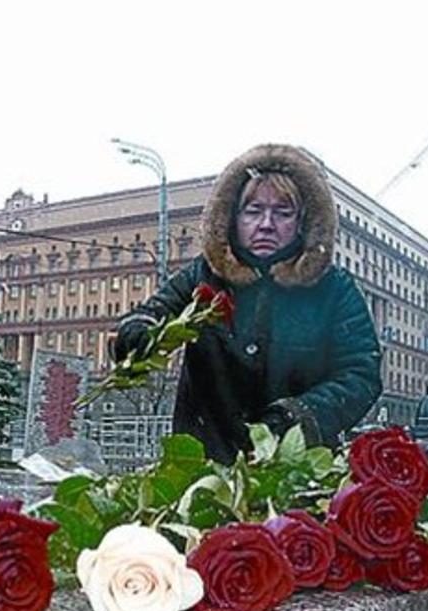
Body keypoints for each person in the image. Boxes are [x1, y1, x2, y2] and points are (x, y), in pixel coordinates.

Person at [113, 144, 382, 464]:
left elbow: (361, 373)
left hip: (295, 471)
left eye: (283, 213)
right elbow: (154, 312)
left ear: (302, 222)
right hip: (203, 472)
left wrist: (298, 418)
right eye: (253, 210)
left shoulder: (333, 289)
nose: (266, 224)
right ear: (232, 218)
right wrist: (138, 336)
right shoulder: (204, 275)